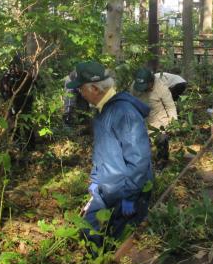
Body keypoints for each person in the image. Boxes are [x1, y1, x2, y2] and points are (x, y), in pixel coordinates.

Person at [66, 61, 153, 251]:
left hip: (125, 193)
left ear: (95, 88)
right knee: (88, 234)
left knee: (112, 244)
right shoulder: (103, 110)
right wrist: (96, 182)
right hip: (107, 189)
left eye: (81, 88)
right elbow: (105, 152)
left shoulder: (123, 112)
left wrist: (130, 196)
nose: (80, 93)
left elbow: (139, 159)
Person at [131, 68, 178, 166]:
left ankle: (162, 163)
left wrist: (173, 124)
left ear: (151, 82)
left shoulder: (162, 88)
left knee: (161, 141)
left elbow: (170, 107)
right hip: (142, 120)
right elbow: (130, 102)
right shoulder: (134, 86)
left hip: (159, 121)